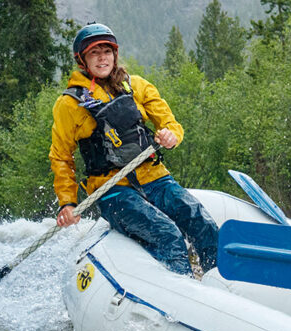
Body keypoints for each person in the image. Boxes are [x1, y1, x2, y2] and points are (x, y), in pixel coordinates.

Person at [50, 23, 219, 275]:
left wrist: (171, 135)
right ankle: (178, 296)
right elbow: (61, 157)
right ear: (82, 60)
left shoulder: (138, 86)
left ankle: (221, 283)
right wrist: (67, 202)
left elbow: (170, 123)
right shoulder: (69, 104)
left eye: (106, 51)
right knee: (167, 233)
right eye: (94, 53)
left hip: (155, 178)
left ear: (114, 55)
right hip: (113, 191)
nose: (102, 58)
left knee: (199, 220)